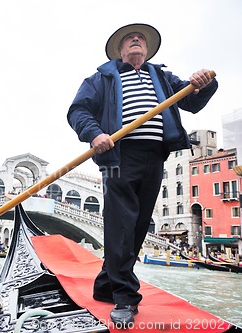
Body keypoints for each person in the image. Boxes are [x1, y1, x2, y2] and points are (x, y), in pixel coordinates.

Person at [67, 23, 217, 327]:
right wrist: (94, 134)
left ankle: (106, 284)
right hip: (118, 156)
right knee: (120, 223)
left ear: (146, 50)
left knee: (135, 227)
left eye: (141, 39)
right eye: (130, 39)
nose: (136, 41)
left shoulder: (161, 76)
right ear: (120, 50)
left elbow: (191, 101)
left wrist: (203, 83)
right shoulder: (102, 78)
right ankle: (125, 297)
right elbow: (78, 111)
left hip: (154, 157)